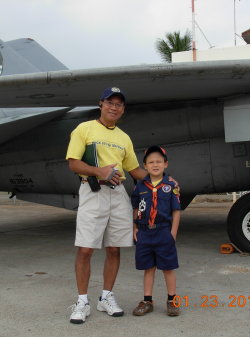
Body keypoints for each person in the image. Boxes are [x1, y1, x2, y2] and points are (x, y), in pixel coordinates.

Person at [65, 87, 149, 324]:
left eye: (119, 104)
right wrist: (97, 171)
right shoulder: (84, 129)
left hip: (118, 194)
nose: (114, 107)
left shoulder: (124, 138)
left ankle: (106, 297)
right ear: (101, 104)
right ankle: (82, 301)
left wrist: (161, 180)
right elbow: (73, 163)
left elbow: (134, 170)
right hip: (92, 191)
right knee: (85, 248)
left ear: (123, 109)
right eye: (110, 102)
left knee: (114, 247)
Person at [131, 145, 181, 317]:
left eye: (159, 161)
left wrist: (172, 233)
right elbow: (137, 207)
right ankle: (147, 301)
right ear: (145, 166)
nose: (155, 165)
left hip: (163, 232)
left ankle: (172, 300)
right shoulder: (140, 186)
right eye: (151, 162)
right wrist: (135, 226)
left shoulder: (170, 186)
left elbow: (176, 211)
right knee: (148, 268)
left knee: (168, 268)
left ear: (165, 164)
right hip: (145, 233)